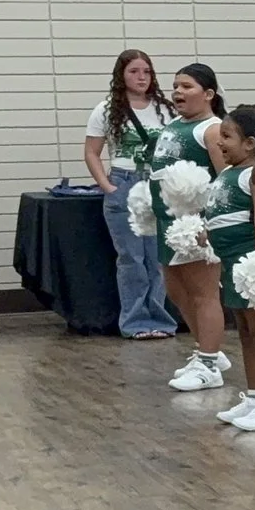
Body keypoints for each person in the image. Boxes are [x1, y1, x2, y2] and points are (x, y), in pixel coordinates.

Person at [80, 50, 179, 339]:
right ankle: (135, 322)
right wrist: (107, 186)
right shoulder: (106, 109)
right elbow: (91, 152)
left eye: (146, 72)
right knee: (131, 258)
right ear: (121, 75)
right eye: (134, 71)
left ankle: (160, 319)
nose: (141, 78)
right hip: (125, 180)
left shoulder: (166, 109)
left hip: (158, 183)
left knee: (158, 257)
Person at [204, 106, 255, 433]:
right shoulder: (226, 173)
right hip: (230, 264)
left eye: (227, 136)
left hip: (251, 261)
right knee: (246, 332)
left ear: (252, 143)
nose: (220, 142)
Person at [153, 63, 231, 393]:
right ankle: (206, 350)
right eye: (175, 86)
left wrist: (212, 223)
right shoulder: (173, 124)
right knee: (176, 290)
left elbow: (226, 178)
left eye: (186, 86)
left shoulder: (212, 130)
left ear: (209, 94)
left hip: (195, 224)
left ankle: (209, 363)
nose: (178, 92)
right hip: (167, 222)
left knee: (204, 293)